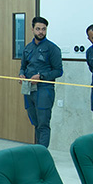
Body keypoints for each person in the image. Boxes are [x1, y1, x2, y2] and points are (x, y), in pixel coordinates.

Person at [19, 16, 63, 147]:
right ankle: (38, 150)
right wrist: (21, 74)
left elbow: (58, 71)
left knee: (43, 124)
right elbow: (23, 66)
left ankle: (42, 153)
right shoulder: (28, 48)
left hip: (44, 90)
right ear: (32, 29)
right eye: (38, 29)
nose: (41, 32)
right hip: (28, 90)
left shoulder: (52, 48)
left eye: (43, 29)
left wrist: (41, 77)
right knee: (35, 122)